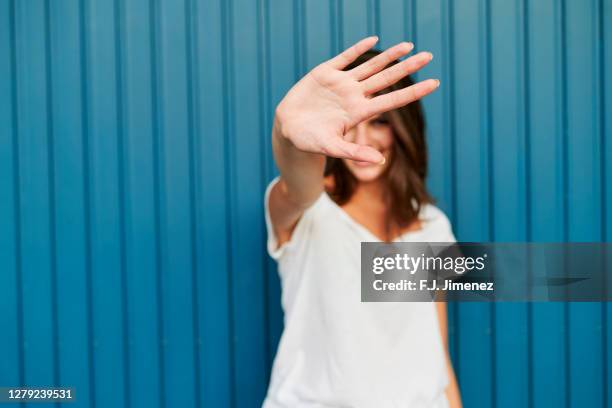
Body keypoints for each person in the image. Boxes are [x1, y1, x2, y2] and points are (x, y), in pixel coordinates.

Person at [263, 36, 462, 408]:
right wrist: (286, 132)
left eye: (380, 122)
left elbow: (436, 355)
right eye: (350, 121)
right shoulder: (308, 209)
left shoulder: (433, 225)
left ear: (403, 129)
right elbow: (296, 184)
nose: (362, 138)